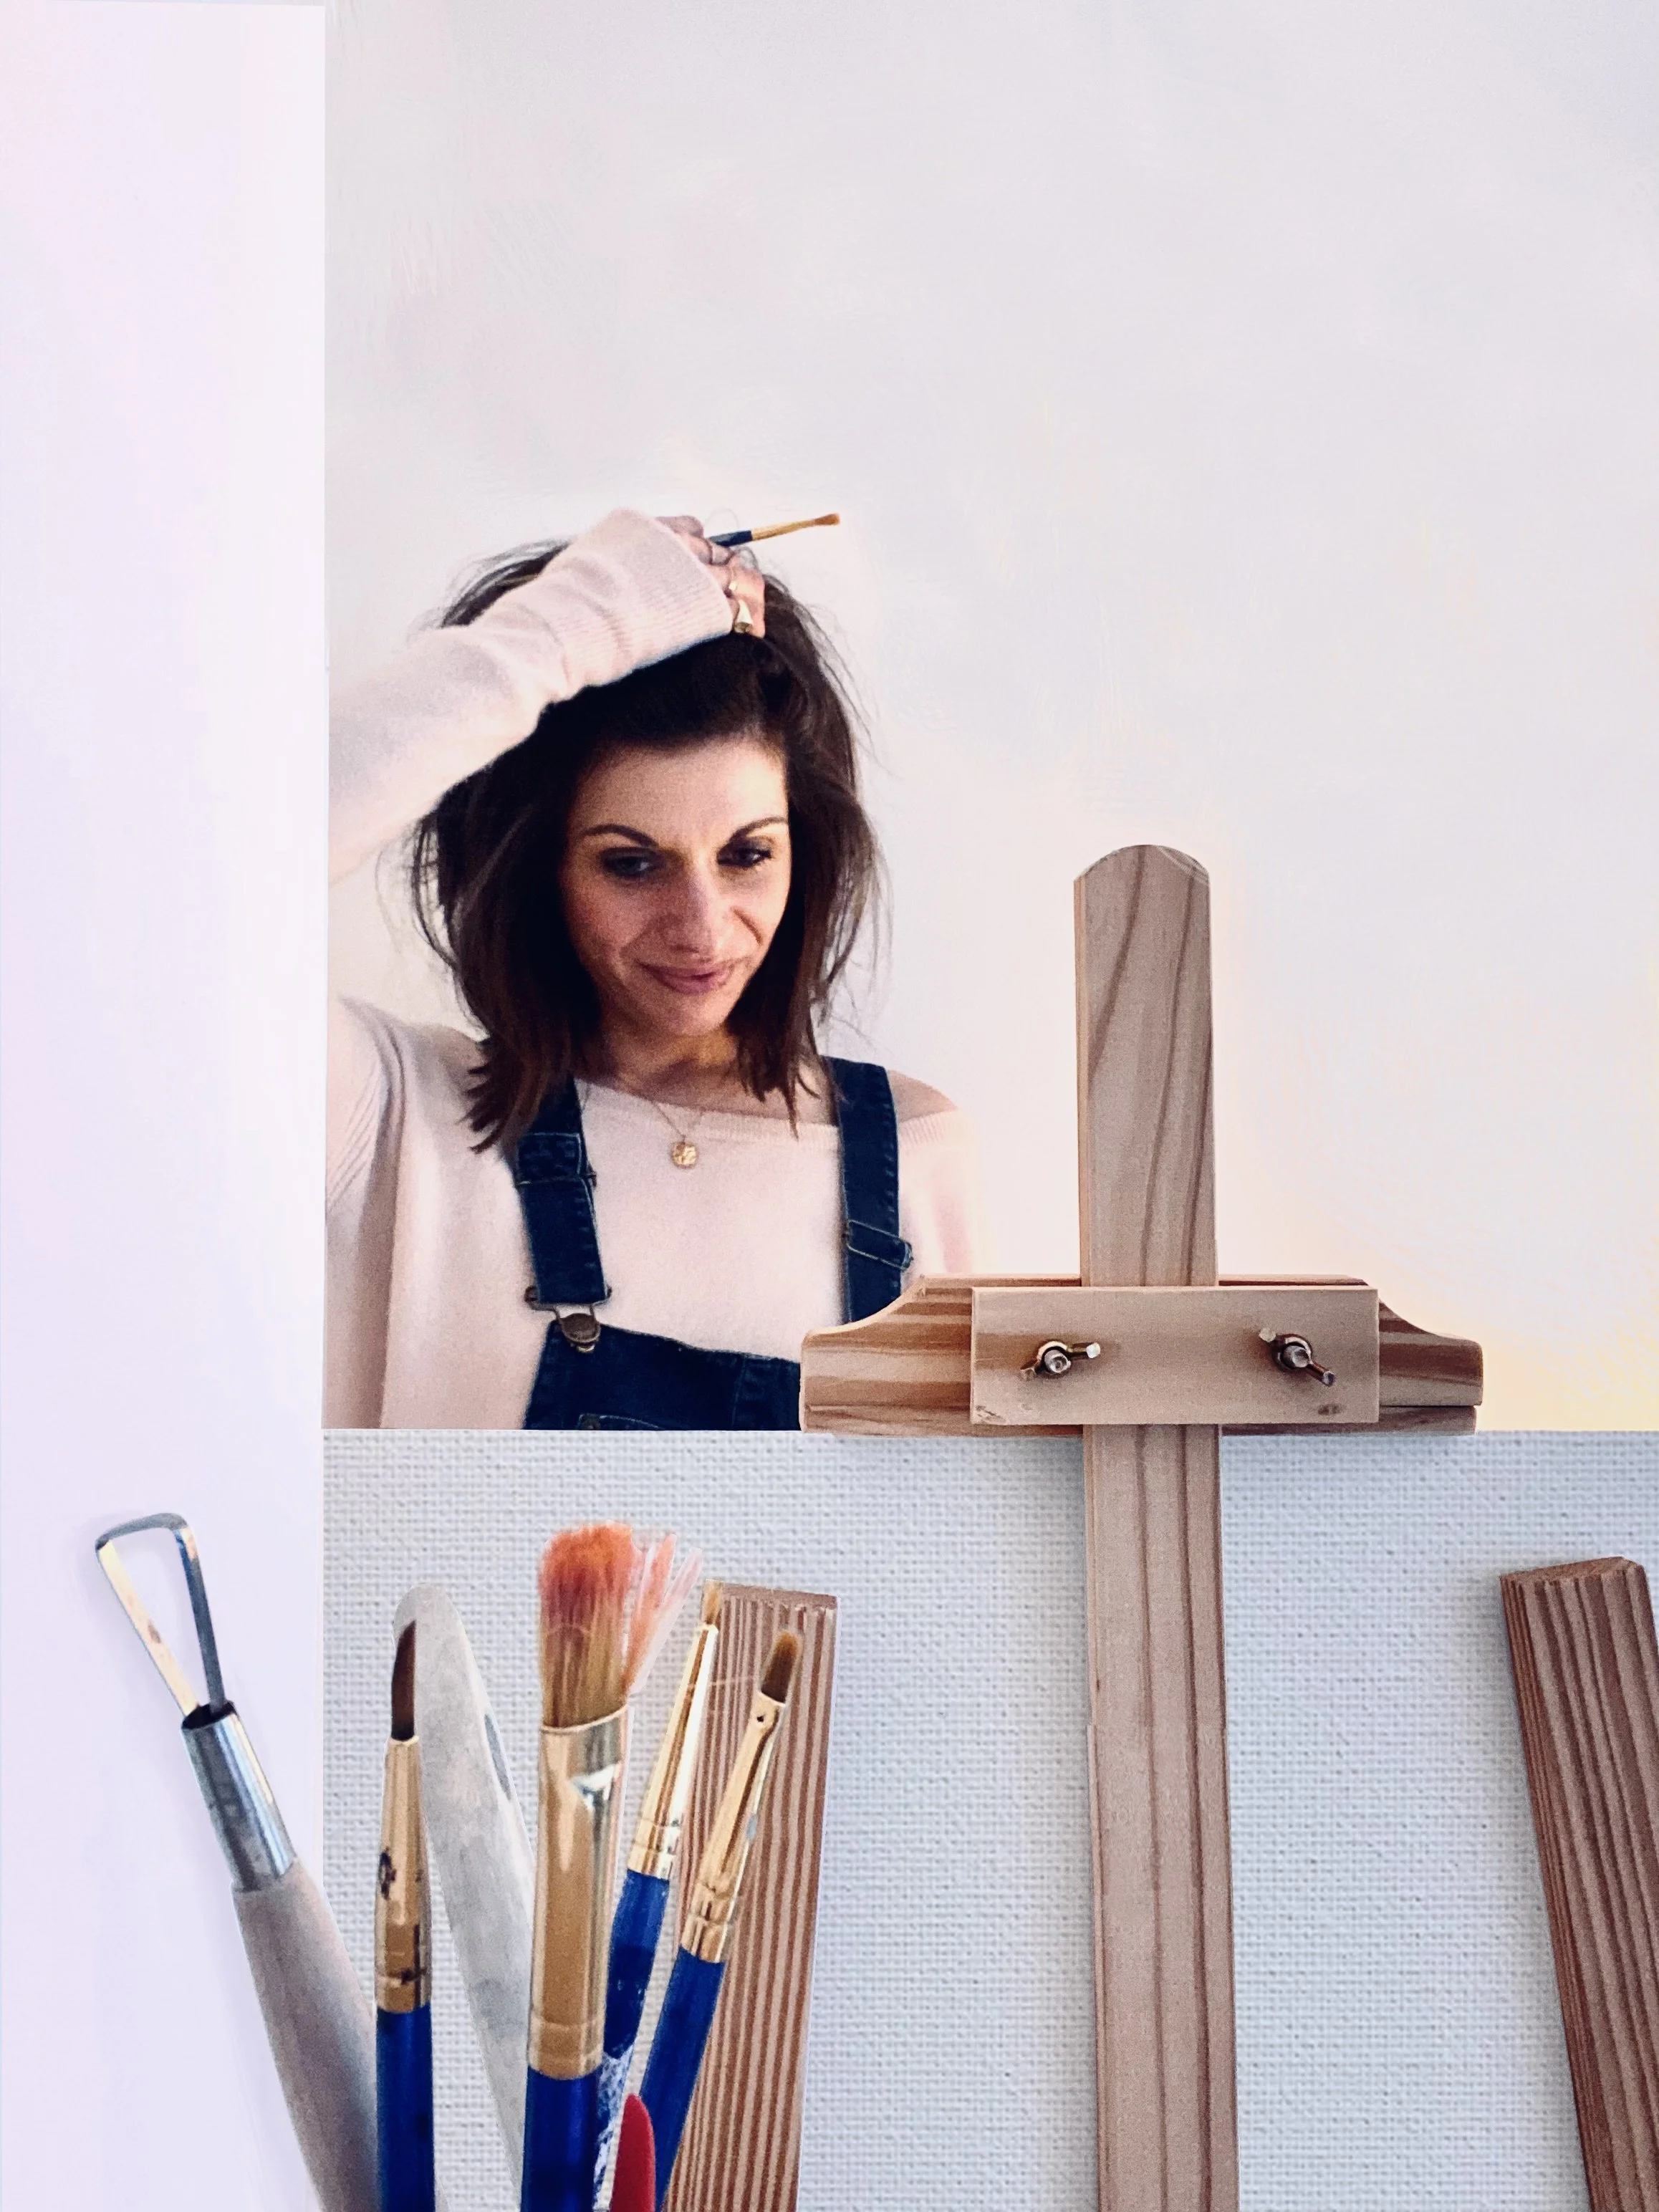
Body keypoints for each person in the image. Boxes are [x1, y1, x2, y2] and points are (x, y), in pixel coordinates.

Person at [327, 509, 981, 1428]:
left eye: (748, 854)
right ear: (538, 868)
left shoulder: (916, 1160)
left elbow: (957, 1554)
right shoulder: (394, 1122)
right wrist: (573, 623)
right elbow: (216, 886)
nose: (703, 928)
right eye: (632, 862)